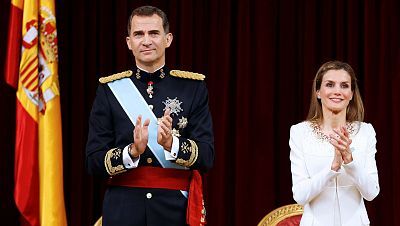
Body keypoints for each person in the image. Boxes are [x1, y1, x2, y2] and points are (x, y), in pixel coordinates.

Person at [86, 5, 214, 226]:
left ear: (168, 39)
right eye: (139, 34)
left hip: (175, 212)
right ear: (129, 43)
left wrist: (172, 143)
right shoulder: (109, 91)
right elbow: (93, 161)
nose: (146, 41)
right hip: (123, 211)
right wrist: (131, 152)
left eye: (154, 33)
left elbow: (207, 156)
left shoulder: (193, 88)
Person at [289, 61, 380, 226]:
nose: (337, 91)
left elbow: (371, 192)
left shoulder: (365, 132)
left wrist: (350, 161)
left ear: (351, 93)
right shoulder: (299, 133)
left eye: (344, 86)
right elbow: (300, 195)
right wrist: (333, 168)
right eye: (330, 85)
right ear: (318, 91)